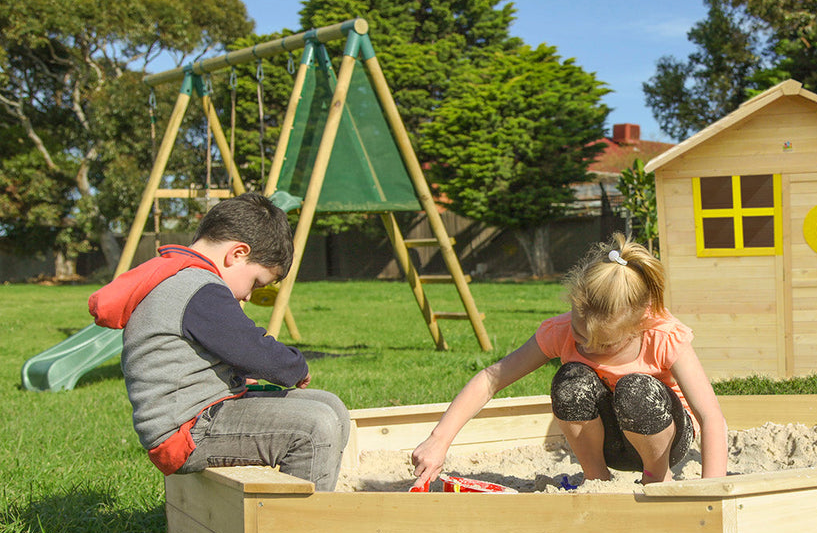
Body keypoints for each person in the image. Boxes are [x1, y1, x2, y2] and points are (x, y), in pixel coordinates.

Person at [411, 234, 727, 488]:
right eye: (579, 332)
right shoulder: (560, 331)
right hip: (607, 441)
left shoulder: (663, 334)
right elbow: (492, 378)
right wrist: (438, 440)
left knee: (636, 389)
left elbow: (710, 417)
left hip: (664, 438)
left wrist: (712, 491)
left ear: (640, 323)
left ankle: (657, 478)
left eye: (603, 343)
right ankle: (596, 478)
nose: (586, 344)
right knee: (571, 379)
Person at [88, 192, 350, 491]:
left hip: (205, 413)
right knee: (315, 427)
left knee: (331, 406)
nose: (249, 296)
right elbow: (253, 350)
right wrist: (296, 366)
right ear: (237, 254)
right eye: (256, 282)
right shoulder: (198, 288)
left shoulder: (185, 278)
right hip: (188, 431)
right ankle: (300, 531)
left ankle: (306, 500)